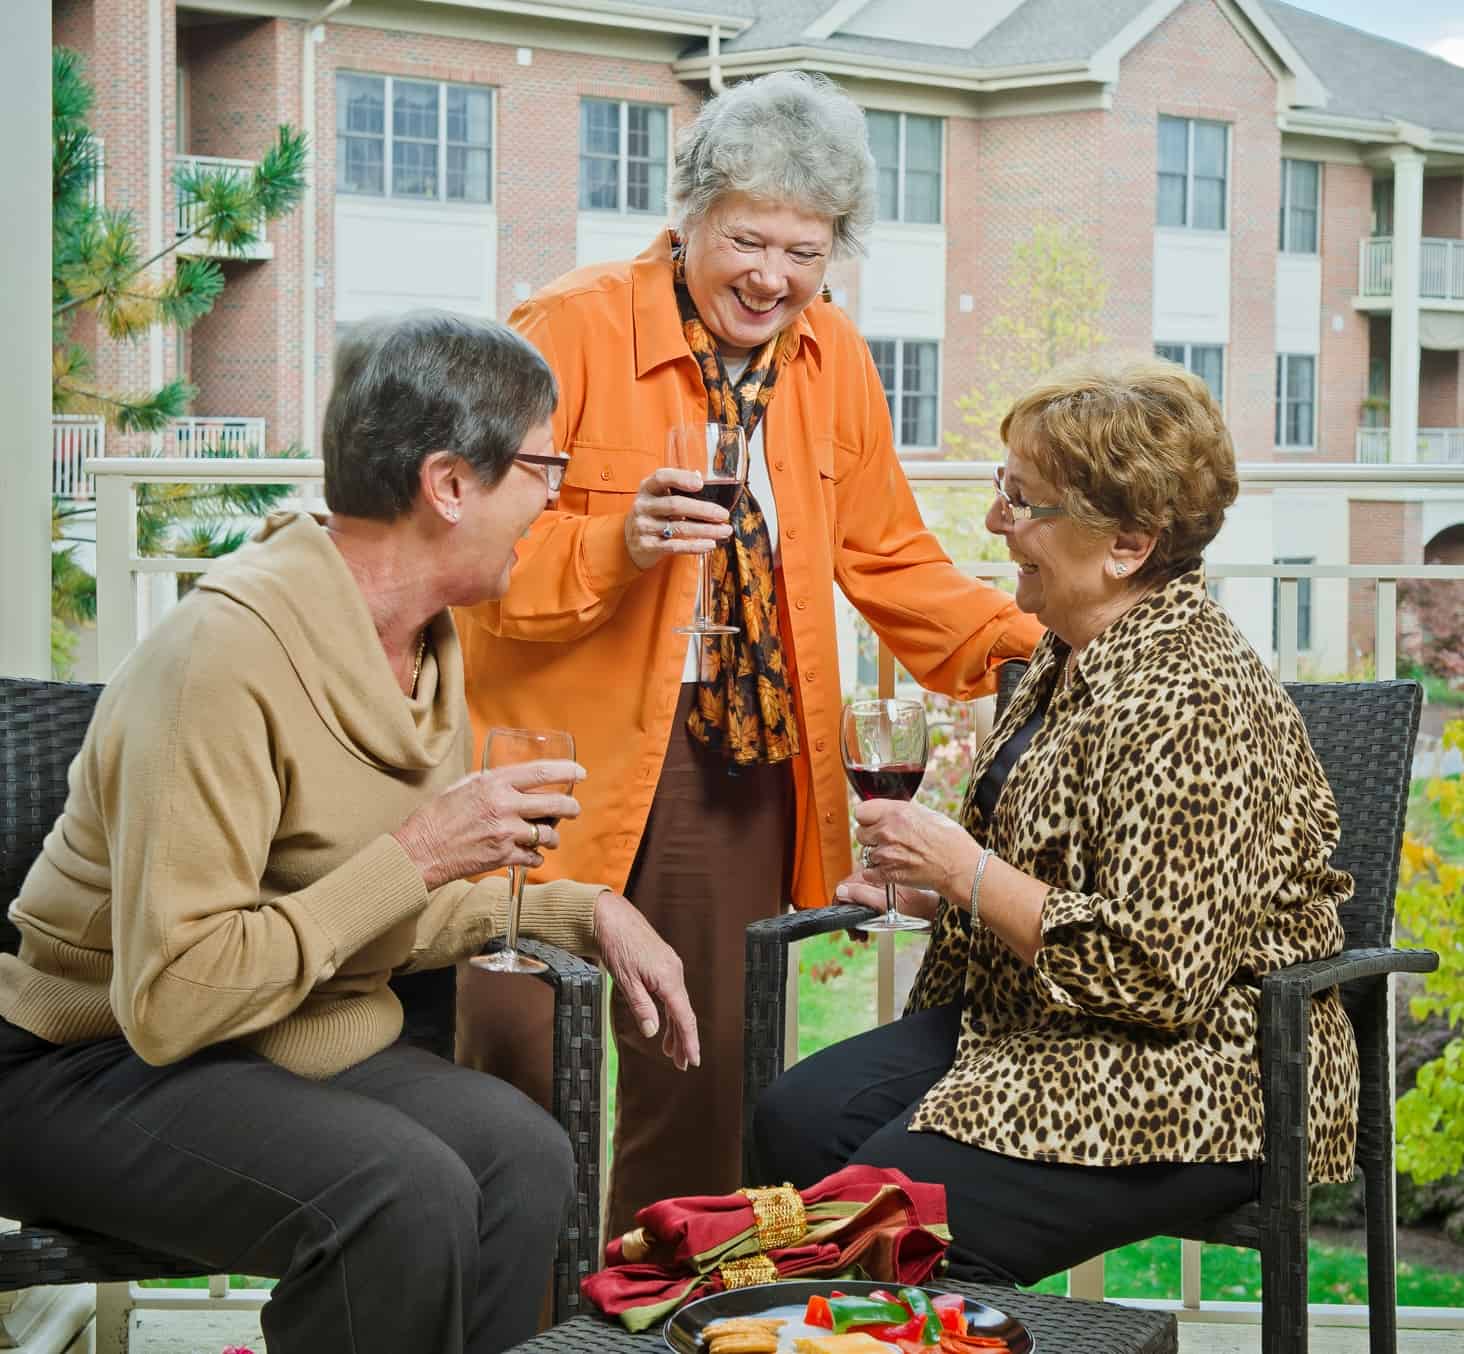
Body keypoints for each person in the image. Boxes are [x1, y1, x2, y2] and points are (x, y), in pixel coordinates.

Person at [0, 312, 697, 1354]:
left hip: (278, 1033)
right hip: (90, 1059)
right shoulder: (221, 657)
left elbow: (366, 907)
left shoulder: (423, 647)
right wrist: (420, 849)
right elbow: (173, 996)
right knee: (400, 1194)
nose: (554, 499)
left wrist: (582, 907)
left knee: (523, 1154)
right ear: (450, 484)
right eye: (544, 466)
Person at [454, 71, 1043, 1238]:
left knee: (699, 1069)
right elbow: (470, 547)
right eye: (749, 238)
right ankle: (507, 1323)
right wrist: (617, 542)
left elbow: (893, 564)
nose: (773, 276)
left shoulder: (832, 360)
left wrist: (1049, 647)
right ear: (689, 217)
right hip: (548, 758)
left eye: (807, 250)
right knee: (518, 1071)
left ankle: (647, 1306)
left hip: (734, 757)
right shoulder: (568, 327)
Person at [752, 357, 1360, 1285]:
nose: (997, 520)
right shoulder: (1068, 652)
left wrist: (966, 874)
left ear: (1128, 543)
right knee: (792, 1120)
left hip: (1205, 1068)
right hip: (1039, 1021)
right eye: (1006, 489)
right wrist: (932, 892)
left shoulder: (1190, 694)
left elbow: (1159, 972)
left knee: (888, 1223)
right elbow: (1058, 867)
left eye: (1024, 501)